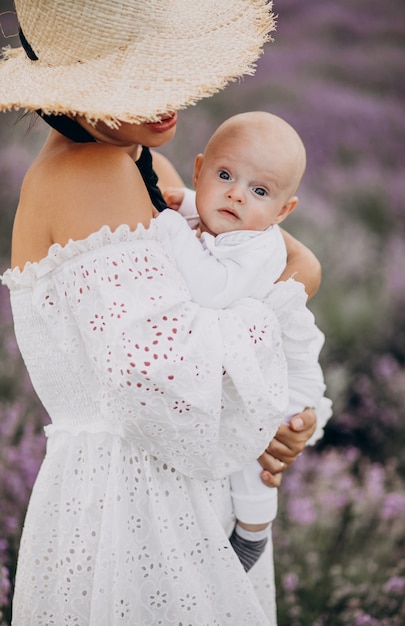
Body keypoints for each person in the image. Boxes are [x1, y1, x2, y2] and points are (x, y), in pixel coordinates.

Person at [0, 1, 319, 624]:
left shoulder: (144, 164)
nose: (164, 97)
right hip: (132, 501)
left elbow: (267, 250)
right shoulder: (86, 173)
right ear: (71, 89)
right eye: (132, 81)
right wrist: (299, 284)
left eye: (164, 71)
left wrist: (272, 420)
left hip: (177, 481)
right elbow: (161, 378)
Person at [153, 111, 332, 572]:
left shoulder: (258, 246)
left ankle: (254, 530)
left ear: (283, 212)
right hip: (256, 366)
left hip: (286, 378)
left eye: (259, 191)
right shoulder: (226, 216)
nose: (235, 194)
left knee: (257, 454)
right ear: (198, 171)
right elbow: (210, 207)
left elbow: (212, 289)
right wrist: (187, 202)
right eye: (225, 175)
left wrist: (171, 225)